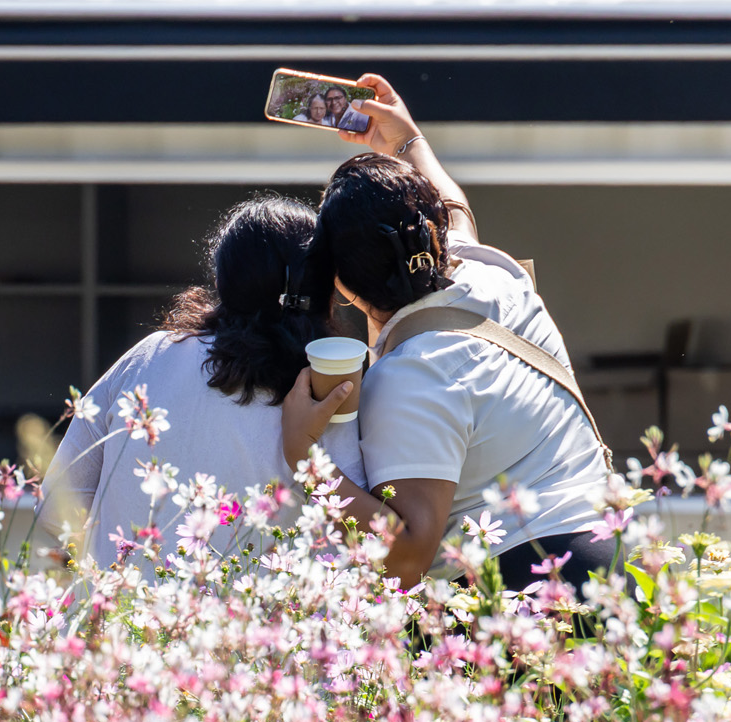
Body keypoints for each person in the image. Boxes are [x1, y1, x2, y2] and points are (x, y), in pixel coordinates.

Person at [280, 74, 612, 595]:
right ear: (434, 234)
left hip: (535, 598)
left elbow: (408, 555)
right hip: (614, 565)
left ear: (341, 285)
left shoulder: (410, 375)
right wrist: (407, 140)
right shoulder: (492, 277)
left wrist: (304, 456)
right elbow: (453, 206)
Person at [36, 195, 365, 574]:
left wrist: (128, 566)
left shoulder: (149, 355)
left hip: (119, 622)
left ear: (224, 279)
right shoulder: (322, 391)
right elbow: (360, 538)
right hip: (251, 627)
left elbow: (55, 503)